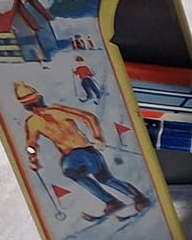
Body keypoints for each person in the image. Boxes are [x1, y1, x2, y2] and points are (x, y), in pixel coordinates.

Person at [14, 81, 149, 218]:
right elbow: (31, 144)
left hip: (84, 150)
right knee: (70, 171)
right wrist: (33, 159)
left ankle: (137, 197)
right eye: (31, 106)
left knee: (104, 178)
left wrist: (97, 136)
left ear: (40, 100)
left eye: (36, 104)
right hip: (68, 156)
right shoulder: (32, 122)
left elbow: (88, 117)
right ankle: (111, 201)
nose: (36, 109)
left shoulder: (57, 111)